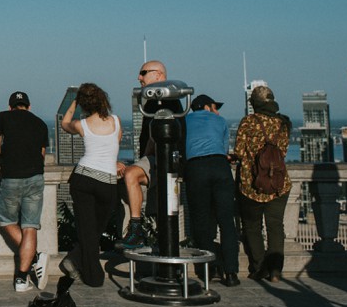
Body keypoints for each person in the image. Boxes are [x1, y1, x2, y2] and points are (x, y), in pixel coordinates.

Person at [58, 83, 124, 288]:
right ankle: (91, 274)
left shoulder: (82, 125)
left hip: (83, 178)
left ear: (84, 104)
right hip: (107, 181)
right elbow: (116, 145)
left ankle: (88, 272)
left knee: (87, 230)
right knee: (97, 228)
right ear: (103, 100)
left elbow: (64, 123)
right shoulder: (116, 121)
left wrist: (74, 103)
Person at [117, 60, 186, 249]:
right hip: (159, 162)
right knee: (157, 213)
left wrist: (142, 159)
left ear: (159, 75)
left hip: (164, 159)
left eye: (143, 73)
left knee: (131, 174)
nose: (139, 77)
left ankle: (136, 228)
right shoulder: (153, 103)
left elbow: (158, 136)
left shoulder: (166, 101)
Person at [0, 90, 49, 291]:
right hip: (35, 177)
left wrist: (7, 150)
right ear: (29, 106)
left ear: (10, 106)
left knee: (6, 221)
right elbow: (42, 154)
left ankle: (36, 257)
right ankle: (22, 279)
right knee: (30, 226)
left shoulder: (3, 116)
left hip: (11, 177)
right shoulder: (40, 123)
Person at [235, 84, 292, 282]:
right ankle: (276, 270)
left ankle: (259, 267)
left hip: (251, 184)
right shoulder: (283, 123)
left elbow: (240, 152)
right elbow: (282, 152)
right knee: (275, 226)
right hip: (278, 183)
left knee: (252, 226)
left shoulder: (248, 122)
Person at [184, 94, 240, 286]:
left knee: (202, 222)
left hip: (196, 168)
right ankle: (231, 272)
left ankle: (209, 270)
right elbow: (224, 150)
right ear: (207, 108)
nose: (217, 111)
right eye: (215, 107)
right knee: (227, 222)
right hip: (219, 167)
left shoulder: (183, 121)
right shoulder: (220, 121)